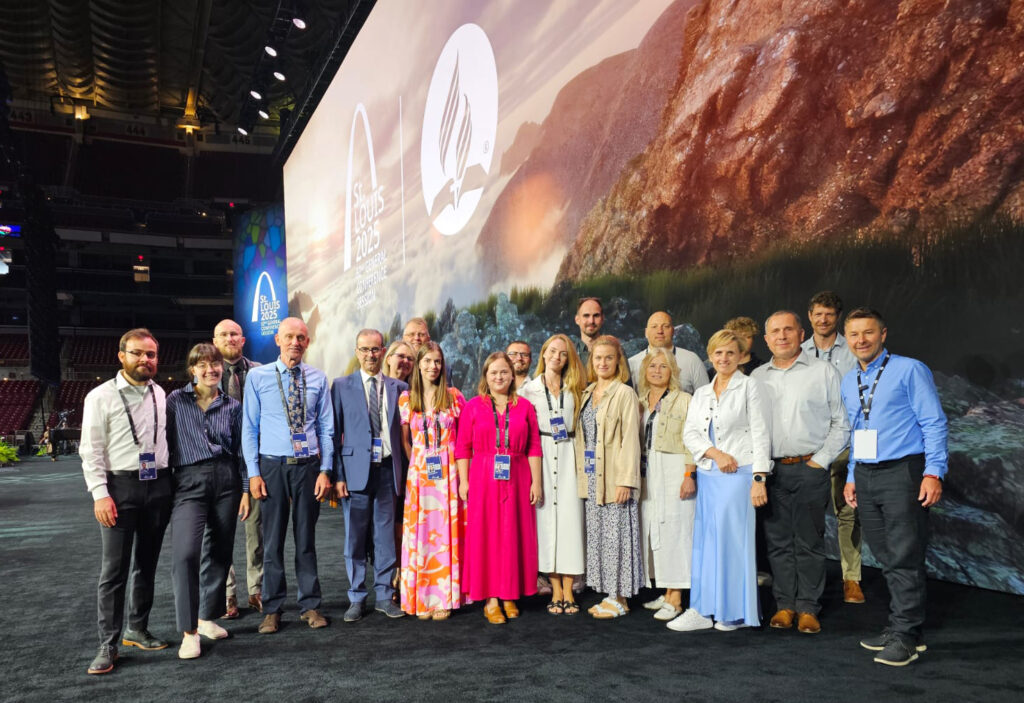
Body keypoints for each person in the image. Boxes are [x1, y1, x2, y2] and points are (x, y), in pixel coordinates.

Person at [841, 308, 947, 667]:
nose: (861, 340)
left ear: (883, 334)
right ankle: (904, 626)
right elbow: (857, 431)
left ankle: (905, 634)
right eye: (854, 334)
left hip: (903, 472)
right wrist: (852, 474)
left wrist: (934, 472)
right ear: (847, 338)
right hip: (866, 474)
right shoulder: (849, 380)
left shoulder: (909, 370)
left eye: (868, 332)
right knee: (886, 554)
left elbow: (934, 422)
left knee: (904, 553)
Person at [80, 329, 173, 675]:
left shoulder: (160, 393)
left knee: (146, 564)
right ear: (121, 356)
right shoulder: (100, 396)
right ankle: (108, 643)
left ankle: (137, 628)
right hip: (119, 488)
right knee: (114, 571)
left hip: (158, 486)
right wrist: (100, 494)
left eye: (151, 354)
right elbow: (90, 450)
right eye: (137, 353)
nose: (145, 360)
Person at [751, 312, 849, 634]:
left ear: (801, 334)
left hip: (810, 468)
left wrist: (820, 461)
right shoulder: (757, 377)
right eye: (775, 331)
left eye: (788, 330)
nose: (782, 336)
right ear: (766, 340)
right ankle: (785, 605)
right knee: (777, 542)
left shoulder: (823, 372)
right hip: (771, 472)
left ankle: (808, 607)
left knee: (809, 541)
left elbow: (842, 423)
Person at [672, 329, 771, 632]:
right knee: (706, 543)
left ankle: (734, 613)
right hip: (710, 474)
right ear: (710, 356)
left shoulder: (750, 386)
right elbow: (690, 433)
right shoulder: (702, 392)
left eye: (730, 352)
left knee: (732, 544)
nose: (724, 358)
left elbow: (761, 433)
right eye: (718, 352)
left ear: (741, 356)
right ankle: (702, 610)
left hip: (739, 475)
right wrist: (716, 454)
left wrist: (759, 478)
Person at [242, 317, 334, 635]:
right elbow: (249, 428)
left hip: (308, 467)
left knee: (306, 539)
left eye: (301, 337)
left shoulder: (318, 378)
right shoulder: (258, 377)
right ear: (278, 340)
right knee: (272, 541)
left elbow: (326, 427)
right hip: (272, 467)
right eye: (289, 336)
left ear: (308, 342)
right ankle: (272, 609)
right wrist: (253, 473)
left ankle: (310, 605)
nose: (295, 342)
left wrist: (326, 470)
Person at [166, 343, 246, 659]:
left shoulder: (232, 406)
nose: (210, 370)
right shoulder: (175, 401)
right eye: (203, 365)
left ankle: (206, 617)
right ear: (192, 370)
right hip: (189, 479)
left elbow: (240, 450)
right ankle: (189, 632)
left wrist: (244, 490)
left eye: (215, 364)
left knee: (220, 551)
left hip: (227, 478)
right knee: (186, 554)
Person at [455, 352, 543, 624]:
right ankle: (491, 598)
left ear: (512, 375)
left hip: (518, 475)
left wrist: (537, 482)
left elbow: (534, 446)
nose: (499, 377)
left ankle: (509, 594)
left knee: (512, 535)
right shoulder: (473, 406)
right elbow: (463, 447)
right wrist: (464, 481)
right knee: (487, 536)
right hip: (483, 476)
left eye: (504, 371)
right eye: (493, 372)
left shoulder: (525, 407)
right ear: (486, 376)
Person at [332, 329, 408, 621]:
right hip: (354, 473)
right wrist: (339, 475)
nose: (370, 355)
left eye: (375, 349)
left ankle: (385, 596)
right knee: (355, 538)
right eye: (364, 349)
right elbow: (334, 434)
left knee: (385, 537)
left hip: (388, 470)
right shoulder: (341, 386)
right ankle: (356, 597)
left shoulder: (400, 388)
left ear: (383, 352)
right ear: (356, 352)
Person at [800, 291, 864, 604]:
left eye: (829, 314)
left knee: (848, 512)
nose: (823, 319)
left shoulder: (853, 349)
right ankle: (808, 578)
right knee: (808, 514)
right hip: (810, 444)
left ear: (838, 317)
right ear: (810, 316)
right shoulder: (799, 351)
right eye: (818, 314)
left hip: (846, 443)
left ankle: (852, 578)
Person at [576, 335, 643, 619]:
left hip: (615, 476)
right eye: (598, 357)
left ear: (618, 362)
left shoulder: (625, 393)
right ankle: (610, 593)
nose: (602, 363)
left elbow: (631, 439)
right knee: (600, 537)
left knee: (618, 537)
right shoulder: (588, 392)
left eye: (609, 358)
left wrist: (626, 480)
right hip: (593, 478)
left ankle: (620, 597)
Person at [519, 334, 586, 615]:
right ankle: (555, 588)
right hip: (542, 455)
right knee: (546, 523)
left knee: (571, 523)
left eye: (563, 353)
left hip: (570, 454)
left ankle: (569, 589)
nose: (557, 357)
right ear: (544, 354)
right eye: (553, 351)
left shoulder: (577, 389)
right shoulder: (528, 390)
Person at [398, 341, 466, 619]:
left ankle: (444, 599)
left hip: (449, 472)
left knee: (446, 534)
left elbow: (464, 437)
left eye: (437, 361)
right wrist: (419, 463)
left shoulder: (454, 396)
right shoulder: (406, 399)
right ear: (418, 365)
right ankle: (422, 599)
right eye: (427, 361)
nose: (433, 366)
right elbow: (405, 441)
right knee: (422, 534)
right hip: (420, 474)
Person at [637, 350, 697, 623]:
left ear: (673, 371)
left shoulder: (684, 400)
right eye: (652, 365)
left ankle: (676, 597)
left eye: (663, 366)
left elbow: (692, 440)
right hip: (648, 470)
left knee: (676, 530)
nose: (657, 370)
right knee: (655, 528)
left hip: (674, 469)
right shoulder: (640, 401)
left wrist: (689, 474)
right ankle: (665, 589)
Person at [213, 318, 263, 618]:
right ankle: (228, 594)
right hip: (221, 464)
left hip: (255, 462)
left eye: (234, 334)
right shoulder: (207, 374)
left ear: (242, 340)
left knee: (256, 530)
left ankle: (256, 590)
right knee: (222, 532)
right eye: (223, 334)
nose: (229, 338)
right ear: (215, 341)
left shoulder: (260, 371)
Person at [627, 311, 709, 394]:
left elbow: (706, 397)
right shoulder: (631, 364)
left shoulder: (692, 360)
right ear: (646, 332)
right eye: (654, 326)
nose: (660, 331)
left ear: (673, 331)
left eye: (665, 326)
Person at [573, 297, 604, 366]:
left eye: (596, 316)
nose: (591, 321)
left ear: (602, 319)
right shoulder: (569, 353)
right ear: (577, 320)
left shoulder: (615, 350)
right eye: (586, 316)